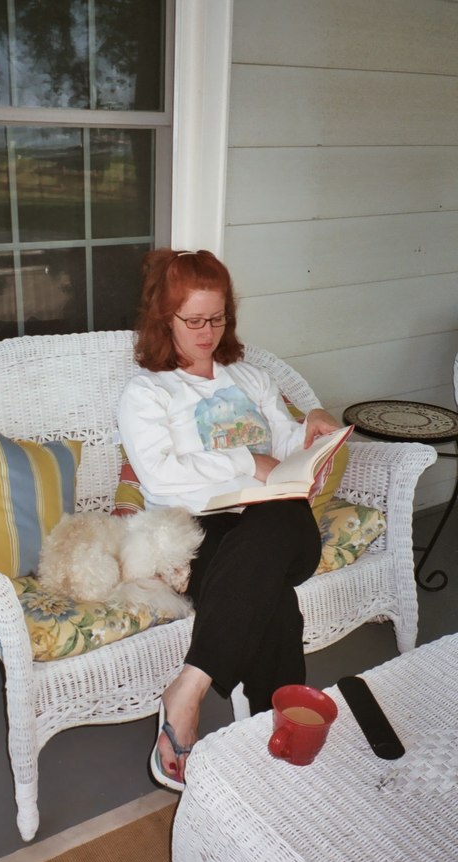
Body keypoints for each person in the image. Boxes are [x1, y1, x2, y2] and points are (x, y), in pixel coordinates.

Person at [117, 248, 340, 790]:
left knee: (278, 521)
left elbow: (285, 447)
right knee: (271, 600)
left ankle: (187, 689)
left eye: (217, 318)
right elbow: (162, 479)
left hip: (280, 527)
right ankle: (277, 734)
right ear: (162, 318)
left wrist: (309, 424)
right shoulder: (147, 392)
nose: (207, 331)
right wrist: (248, 462)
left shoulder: (250, 377)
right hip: (198, 530)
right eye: (193, 320)